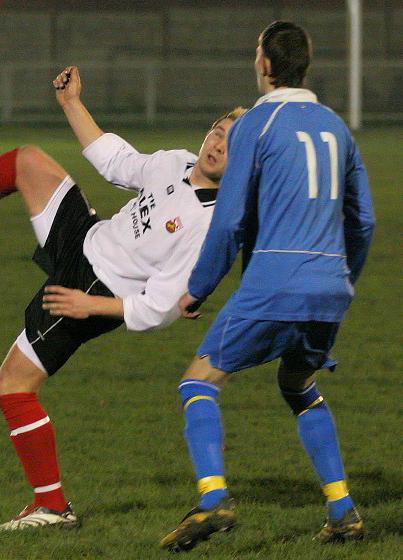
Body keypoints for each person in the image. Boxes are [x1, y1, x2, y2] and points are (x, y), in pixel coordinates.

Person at [0, 65, 246, 530]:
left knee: (13, 385)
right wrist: (71, 103)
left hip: (99, 290)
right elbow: (119, 162)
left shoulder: (209, 226)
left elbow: (161, 309)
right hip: (86, 237)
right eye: (218, 132)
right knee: (28, 161)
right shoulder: (176, 162)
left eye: (232, 144)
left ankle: (53, 507)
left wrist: (91, 307)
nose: (217, 144)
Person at [159, 21, 375, 553]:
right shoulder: (336, 126)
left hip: (276, 282)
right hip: (330, 288)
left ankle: (213, 499)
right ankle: (342, 509)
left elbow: (230, 219)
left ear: (264, 64)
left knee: (198, 383)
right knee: (298, 386)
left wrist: (199, 288)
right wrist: (342, 279)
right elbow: (363, 221)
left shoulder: (256, 122)